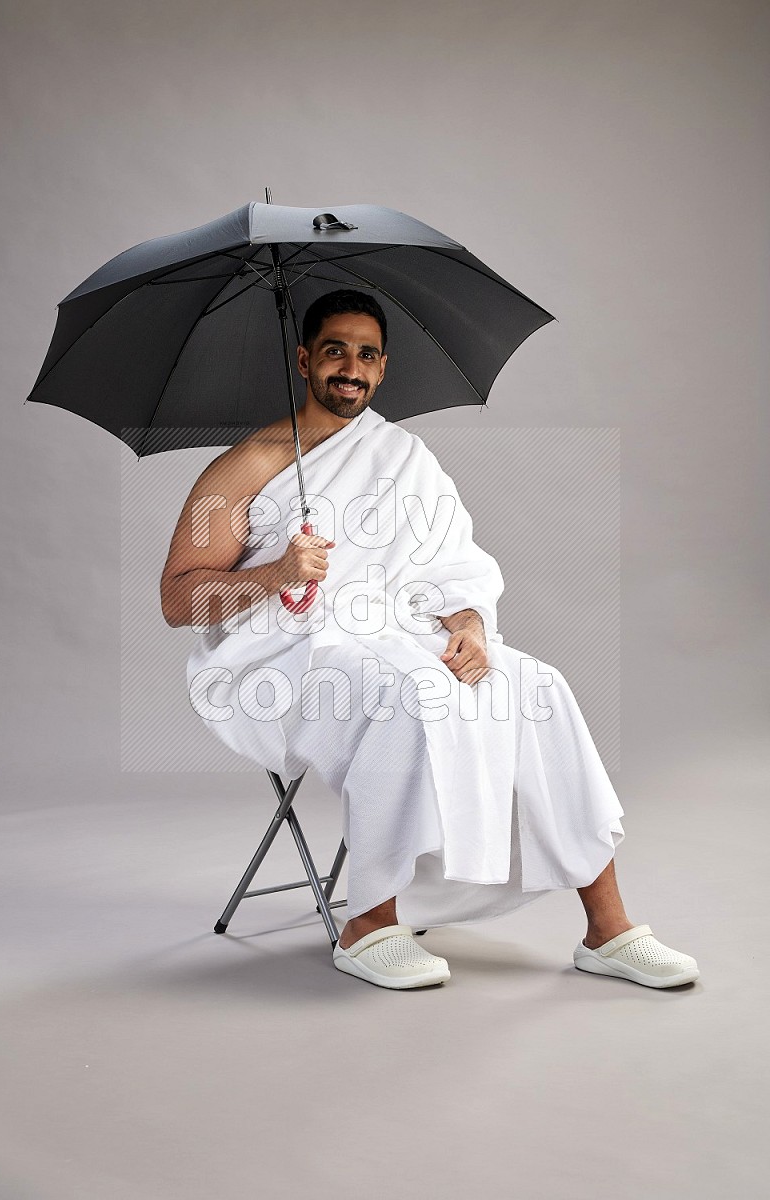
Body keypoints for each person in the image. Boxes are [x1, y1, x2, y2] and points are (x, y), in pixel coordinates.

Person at [161, 289, 699, 993]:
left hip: (397, 633)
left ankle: (607, 929)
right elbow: (178, 599)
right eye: (334, 351)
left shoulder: (403, 455)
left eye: (366, 354)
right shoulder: (245, 467)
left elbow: (452, 571)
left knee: (536, 687)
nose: (350, 367)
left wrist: (470, 627)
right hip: (286, 655)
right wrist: (276, 572)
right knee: (404, 693)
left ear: (383, 369)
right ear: (303, 360)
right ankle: (369, 922)